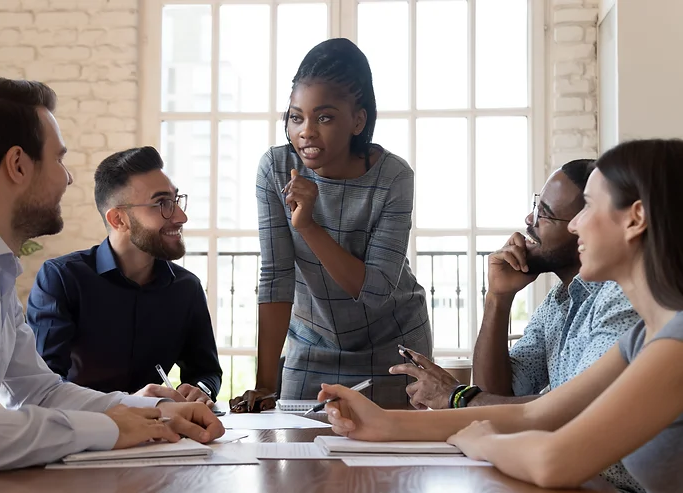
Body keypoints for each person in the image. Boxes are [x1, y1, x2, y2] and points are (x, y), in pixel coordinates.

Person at [319, 139, 683, 493]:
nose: (575, 225)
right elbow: (537, 413)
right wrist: (381, 422)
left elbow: (553, 460)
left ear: (635, 219)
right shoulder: (644, 339)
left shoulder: (676, 344)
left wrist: (483, 441)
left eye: (587, 206)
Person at [0, 78, 223, 476]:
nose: (68, 178)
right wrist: (108, 427)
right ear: (18, 165)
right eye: (59, 159)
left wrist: (157, 409)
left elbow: (38, 392)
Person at [391, 160, 643, 491]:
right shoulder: (560, 300)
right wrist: (498, 298)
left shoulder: (624, 301)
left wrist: (456, 397)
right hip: (567, 478)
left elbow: (571, 413)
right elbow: (500, 394)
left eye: (545, 214)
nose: (529, 222)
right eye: (535, 206)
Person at [231, 38, 432, 412]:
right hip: (312, 342)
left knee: (387, 467)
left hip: (394, 345)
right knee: (296, 458)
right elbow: (276, 276)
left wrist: (308, 226)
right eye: (296, 117)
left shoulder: (393, 177)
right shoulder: (274, 170)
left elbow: (373, 291)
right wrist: (264, 383)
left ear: (358, 120)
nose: (306, 131)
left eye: (324, 117)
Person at [27, 146, 222, 404]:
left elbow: (206, 372)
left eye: (175, 200)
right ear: (119, 219)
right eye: (162, 203)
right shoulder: (62, 280)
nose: (181, 216)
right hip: (83, 436)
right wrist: (128, 402)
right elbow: (44, 385)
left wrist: (200, 390)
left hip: (163, 437)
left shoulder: (187, 288)